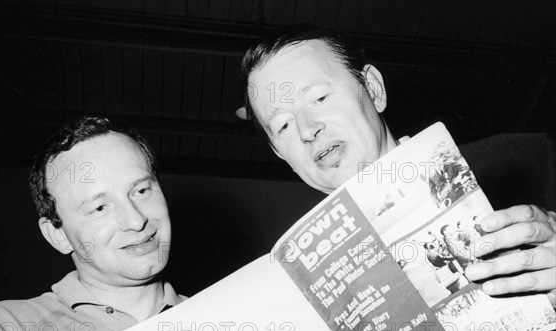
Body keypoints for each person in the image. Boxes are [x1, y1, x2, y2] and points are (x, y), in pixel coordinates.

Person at [238, 26, 556, 309]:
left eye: (319, 98)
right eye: (282, 125)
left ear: (373, 90)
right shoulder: (296, 293)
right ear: (279, 153)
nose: (308, 130)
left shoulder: (526, 160)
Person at [0, 116, 184, 331]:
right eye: (100, 207)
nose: (136, 219)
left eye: (141, 190)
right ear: (58, 235)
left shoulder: (225, 319)